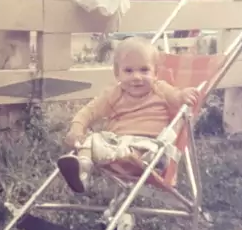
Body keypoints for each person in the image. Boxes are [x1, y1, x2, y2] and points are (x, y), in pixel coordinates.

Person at [56, 37, 199, 194]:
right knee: (91, 139)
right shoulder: (113, 94)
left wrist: (183, 95)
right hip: (117, 143)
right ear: (117, 74)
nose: (136, 77)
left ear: (156, 73)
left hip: (148, 145)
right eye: (128, 71)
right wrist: (77, 128)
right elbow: (89, 111)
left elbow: (176, 97)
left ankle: (128, 160)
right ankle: (82, 169)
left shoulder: (161, 90)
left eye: (144, 70)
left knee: (143, 151)